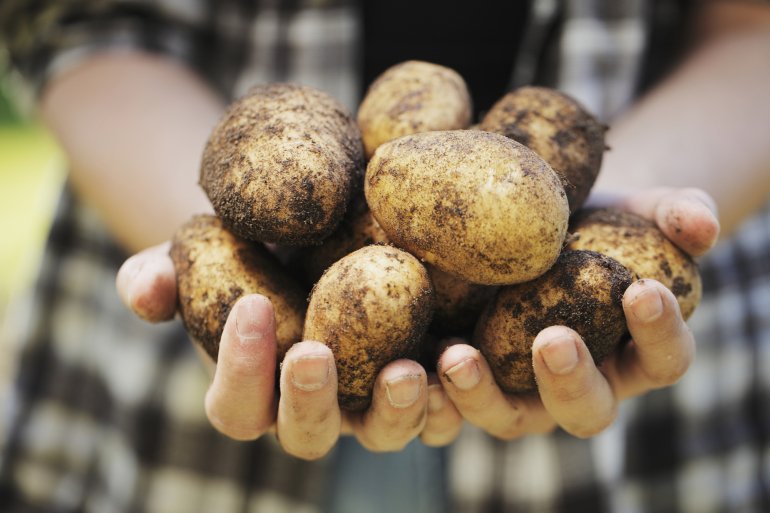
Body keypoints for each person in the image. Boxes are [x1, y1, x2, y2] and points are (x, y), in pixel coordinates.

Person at [0, 0, 767, 512]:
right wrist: (201, 224)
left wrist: (621, 205)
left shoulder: (495, 197)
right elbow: (75, 19)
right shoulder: (351, 188)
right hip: (174, 436)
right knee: (353, 255)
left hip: (638, 455)